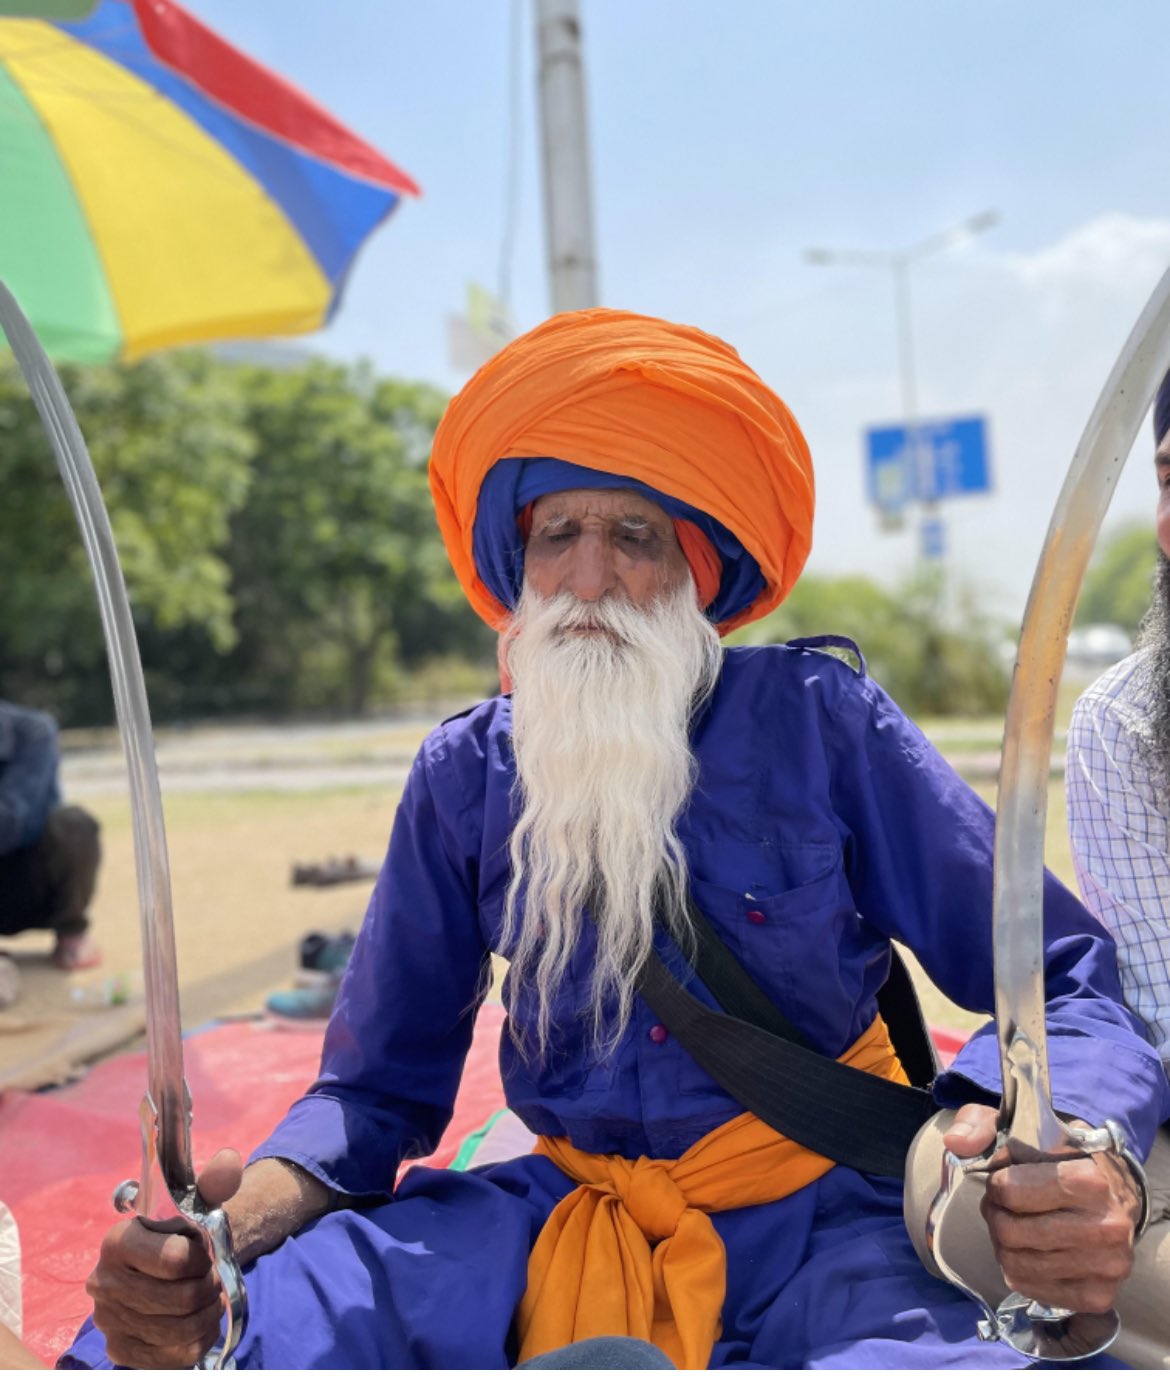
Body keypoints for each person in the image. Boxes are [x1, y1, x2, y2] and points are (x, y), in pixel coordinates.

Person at [67, 311, 1167, 1371]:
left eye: (633, 535)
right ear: (519, 568)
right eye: (559, 535)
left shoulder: (820, 722)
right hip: (557, 1214)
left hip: (830, 1210)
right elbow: (375, 1091)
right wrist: (226, 1235)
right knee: (217, 1339)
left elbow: (1066, 979)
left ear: (697, 571)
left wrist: (1042, 1143)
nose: (588, 578)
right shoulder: (466, 773)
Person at [0, 700, 101, 996]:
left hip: (26, 880)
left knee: (74, 825)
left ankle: (71, 930)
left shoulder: (33, 732)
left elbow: (12, 824)